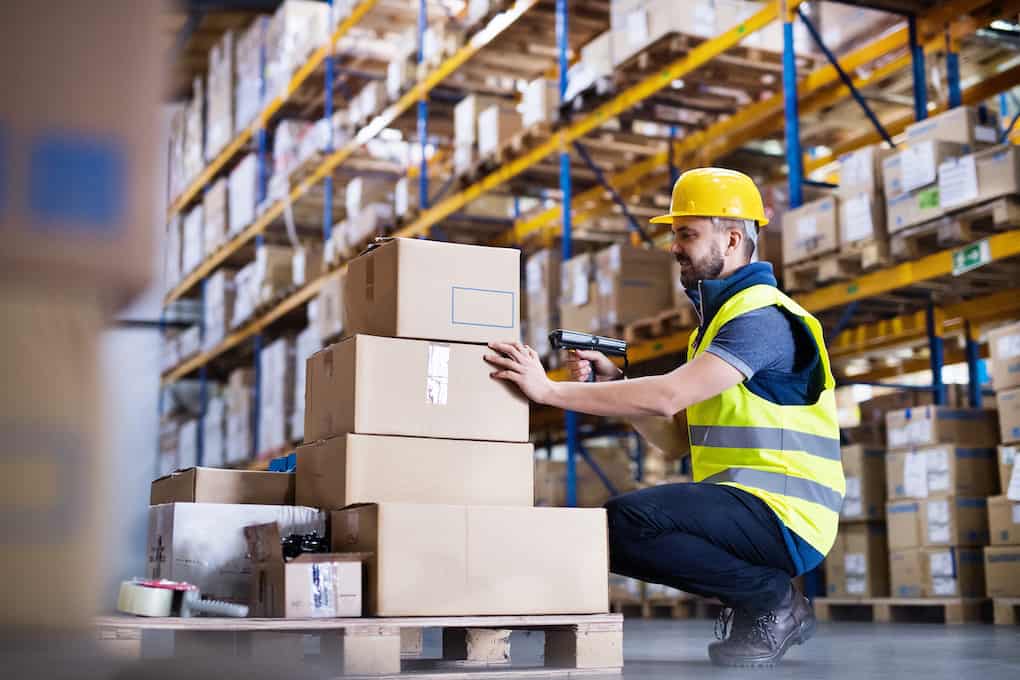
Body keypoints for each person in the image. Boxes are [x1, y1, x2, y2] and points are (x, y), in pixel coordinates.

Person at [485, 168, 844, 668]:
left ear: (733, 238)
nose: (675, 247)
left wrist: (547, 390)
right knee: (618, 528)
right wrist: (609, 384)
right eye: (675, 235)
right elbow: (674, 440)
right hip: (749, 508)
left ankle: (770, 601)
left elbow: (667, 396)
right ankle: (764, 599)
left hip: (786, 515)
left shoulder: (761, 320)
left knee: (624, 522)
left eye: (687, 234)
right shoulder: (713, 330)